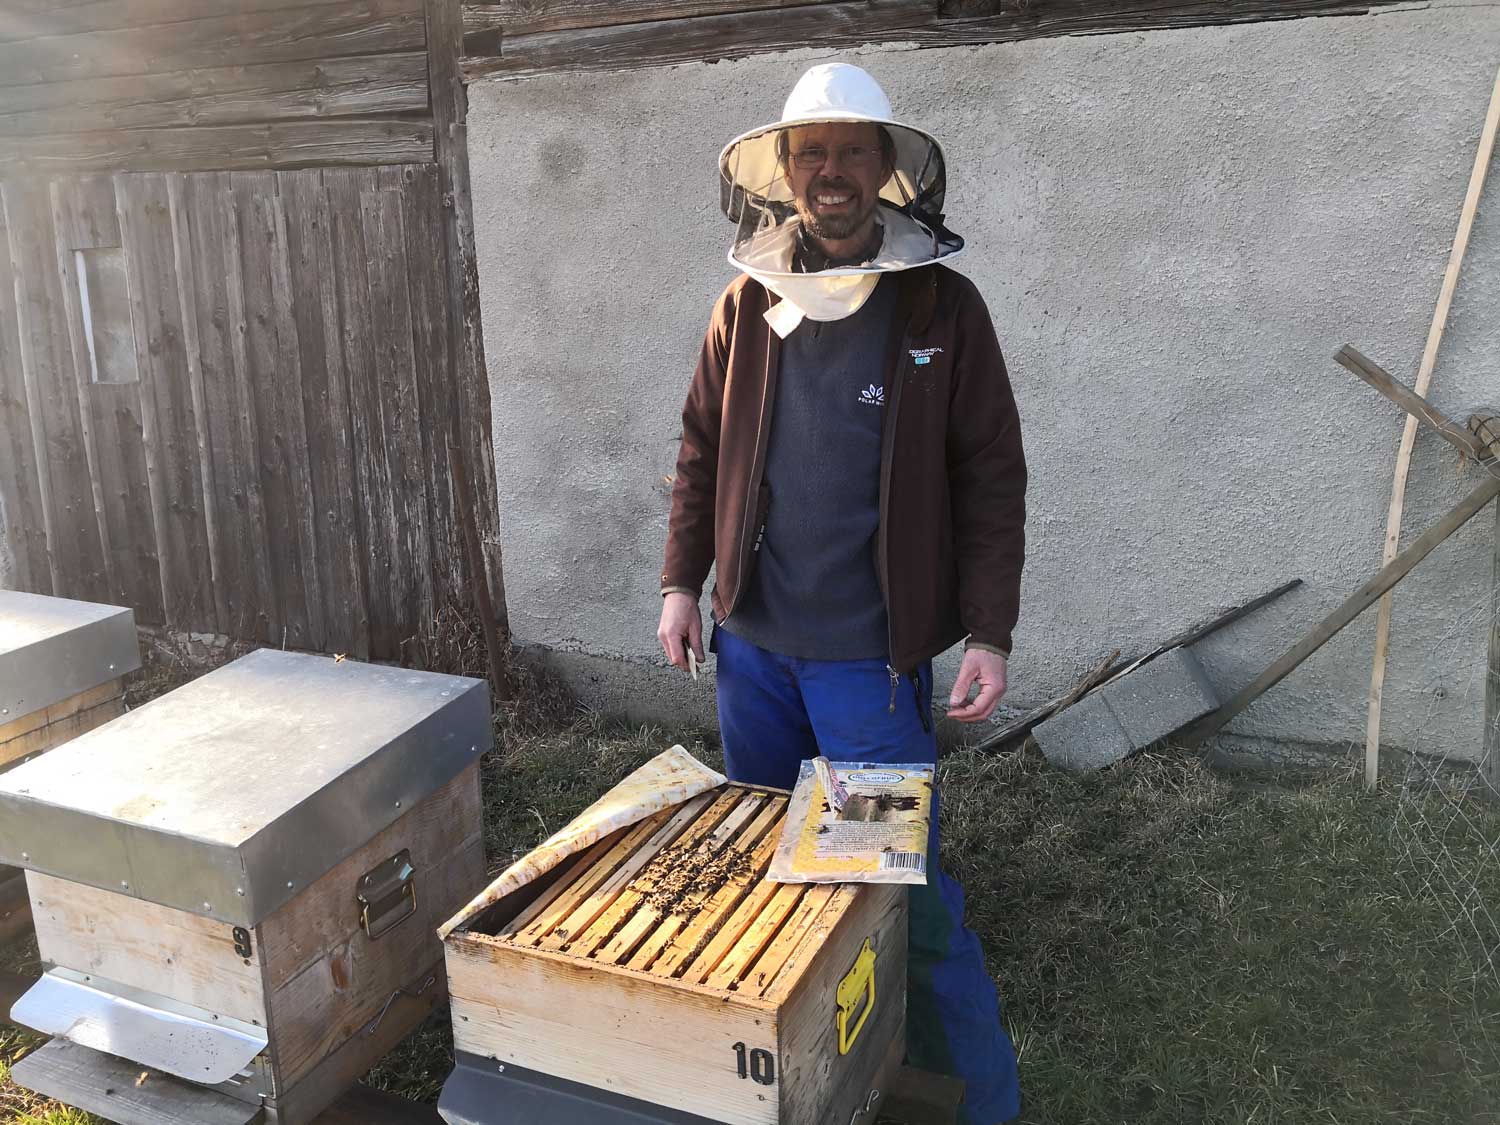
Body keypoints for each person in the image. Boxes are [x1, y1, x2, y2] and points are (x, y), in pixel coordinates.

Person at [657, 62, 1026, 1124]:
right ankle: (809, 1076)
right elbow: (700, 449)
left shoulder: (943, 308)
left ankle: (986, 1100)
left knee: (896, 892)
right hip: (755, 658)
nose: (830, 172)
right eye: (810, 153)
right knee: (772, 867)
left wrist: (988, 632)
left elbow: (992, 474)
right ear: (784, 171)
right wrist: (684, 580)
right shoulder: (745, 304)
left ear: (884, 170)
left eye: (850, 152)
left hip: (871, 665)